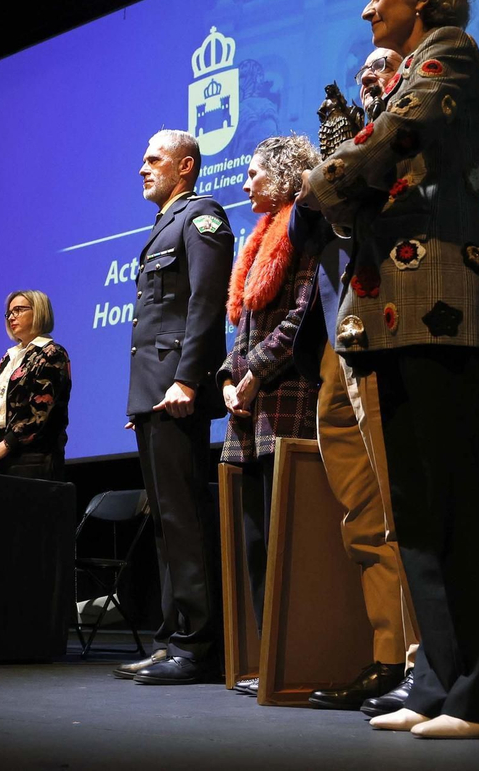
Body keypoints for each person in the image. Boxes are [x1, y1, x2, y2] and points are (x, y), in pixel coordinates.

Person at [300, 0, 479, 738]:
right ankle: (441, 677)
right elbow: (366, 178)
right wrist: (347, 183)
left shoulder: (452, 54)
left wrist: (321, 179)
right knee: (417, 506)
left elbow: (380, 151)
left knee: (461, 501)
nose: (368, 5)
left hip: (440, 305)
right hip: (392, 314)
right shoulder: (408, 70)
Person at [290, 48, 420, 714]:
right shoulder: (342, 143)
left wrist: (340, 171)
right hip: (339, 338)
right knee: (362, 510)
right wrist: (322, 174)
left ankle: (424, 660)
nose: (370, 74)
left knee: (402, 501)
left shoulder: (413, 131)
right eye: (364, 69)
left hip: (391, 327)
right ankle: (388, 654)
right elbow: (302, 229)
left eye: (384, 65)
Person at [117, 128, 233, 686]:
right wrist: (143, 397)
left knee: (184, 519)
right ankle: (170, 640)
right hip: (154, 393)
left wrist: (186, 379)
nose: (143, 168)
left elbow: (206, 303)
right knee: (166, 522)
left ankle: (198, 646)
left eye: (154, 159)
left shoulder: (201, 215)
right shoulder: (163, 223)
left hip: (178, 390)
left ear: (185, 166)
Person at [218, 135, 321, 694]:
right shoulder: (258, 237)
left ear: (283, 177)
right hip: (248, 409)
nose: (245, 182)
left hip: (284, 401)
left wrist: (255, 373)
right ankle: (263, 661)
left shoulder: (303, 231)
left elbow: (303, 316)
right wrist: (228, 378)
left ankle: (293, 659)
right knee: (256, 542)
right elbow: (243, 328)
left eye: (254, 173)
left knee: (288, 540)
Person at [0, 290, 72, 478]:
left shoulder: (52, 353)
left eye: (18, 310)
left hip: (35, 459)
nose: (12, 317)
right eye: (9, 313)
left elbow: (40, 411)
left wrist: (7, 444)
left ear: (39, 312)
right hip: (0, 457)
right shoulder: (9, 357)